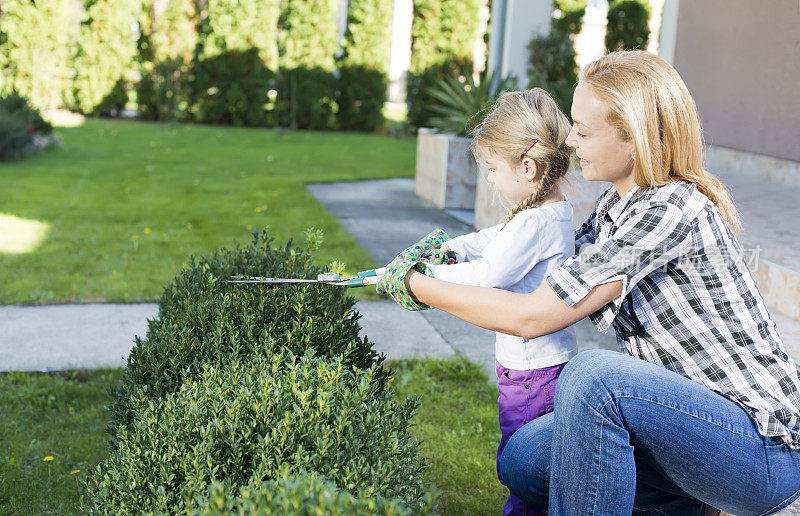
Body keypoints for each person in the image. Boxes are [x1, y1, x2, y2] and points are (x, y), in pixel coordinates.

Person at [377, 50, 800, 514]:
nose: (570, 140)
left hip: (763, 450)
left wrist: (416, 286)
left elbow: (533, 315)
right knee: (524, 457)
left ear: (635, 140)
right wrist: (448, 253)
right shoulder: (616, 209)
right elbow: (550, 267)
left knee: (594, 379)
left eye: (583, 129)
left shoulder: (670, 211)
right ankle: (681, 504)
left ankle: (690, 501)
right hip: (687, 424)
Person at [381, 88, 578, 515]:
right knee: (529, 465)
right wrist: (449, 250)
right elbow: (490, 243)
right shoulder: (544, 212)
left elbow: (489, 275)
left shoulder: (537, 221)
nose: (488, 178)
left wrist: (422, 277)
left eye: (492, 168)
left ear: (527, 167)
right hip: (533, 370)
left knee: (523, 471)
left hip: (534, 376)